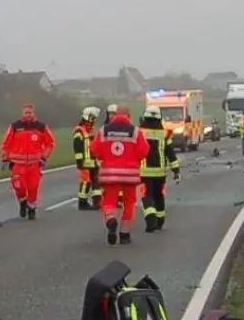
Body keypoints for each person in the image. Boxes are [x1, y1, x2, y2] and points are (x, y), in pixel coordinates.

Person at [89, 105, 150, 246]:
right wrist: (133, 159)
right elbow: (144, 151)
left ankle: (111, 220)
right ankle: (124, 234)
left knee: (109, 202)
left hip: (110, 174)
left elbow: (95, 150)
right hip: (130, 175)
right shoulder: (135, 132)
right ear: (129, 116)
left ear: (115, 115)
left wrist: (107, 157)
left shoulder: (104, 131)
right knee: (129, 203)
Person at [0, 104, 54, 220]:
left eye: (30, 113)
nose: (28, 115)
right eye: (26, 113)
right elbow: (6, 144)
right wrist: (5, 158)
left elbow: (50, 144)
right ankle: (22, 201)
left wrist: (44, 157)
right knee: (19, 187)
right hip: (17, 165)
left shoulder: (41, 127)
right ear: (22, 113)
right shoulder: (15, 126)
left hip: (34, 165)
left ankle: (32, 209)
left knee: (33, 188)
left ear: (34, 113)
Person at [137, 105, 181, 234]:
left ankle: (150, 217)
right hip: (160, 173)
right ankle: (160, 221)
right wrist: (176, 170)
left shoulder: (139, 132)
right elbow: (171, 154)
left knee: (147, 195)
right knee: (159, 196)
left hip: (144, 172)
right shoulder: (165, 133)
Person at [72, 106, 103, 211]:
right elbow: (77, 147)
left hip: (94, 161)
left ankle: (97, 202)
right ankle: (82, 203)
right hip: (85, 162)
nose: (94, 120)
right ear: (88, 117)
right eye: (93, 118)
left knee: (96, 182)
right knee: (86, 182)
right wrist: (79, 161)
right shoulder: (79, 130)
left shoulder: (92, 129)